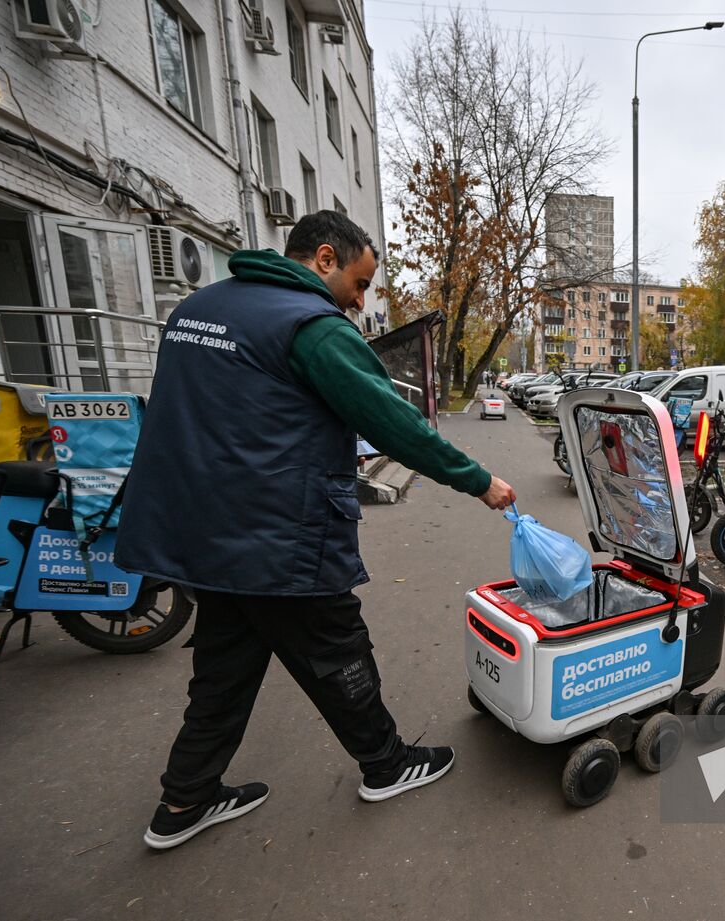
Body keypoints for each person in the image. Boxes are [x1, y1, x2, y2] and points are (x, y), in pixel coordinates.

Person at [116, 211, 516, 850]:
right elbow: (394, 423)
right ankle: (385, 763)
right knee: (337, 652)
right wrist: (479, 481)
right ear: (324, 259)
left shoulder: (199, 307)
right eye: (359, 284)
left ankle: (184, 798)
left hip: (203, 532)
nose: (360, 303)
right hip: (278, 534)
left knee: (225, 663)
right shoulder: (312, 326)